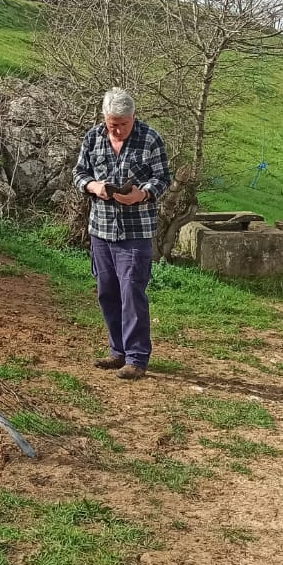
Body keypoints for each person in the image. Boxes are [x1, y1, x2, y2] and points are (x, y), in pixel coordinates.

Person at [72, 88, 172, 380]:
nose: (117, 129)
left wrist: (142, 194)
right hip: (101, 230)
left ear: (134, 117)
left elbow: (163, 176)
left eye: (123, 124)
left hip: (136, 231)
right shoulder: (93, 138)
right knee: (107, 292)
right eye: (112, 123)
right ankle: (117, 352)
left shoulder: (151, 138)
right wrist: (94, 187)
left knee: (132, 293)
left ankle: (137, 358)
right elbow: (79, 173)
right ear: (104, 118)